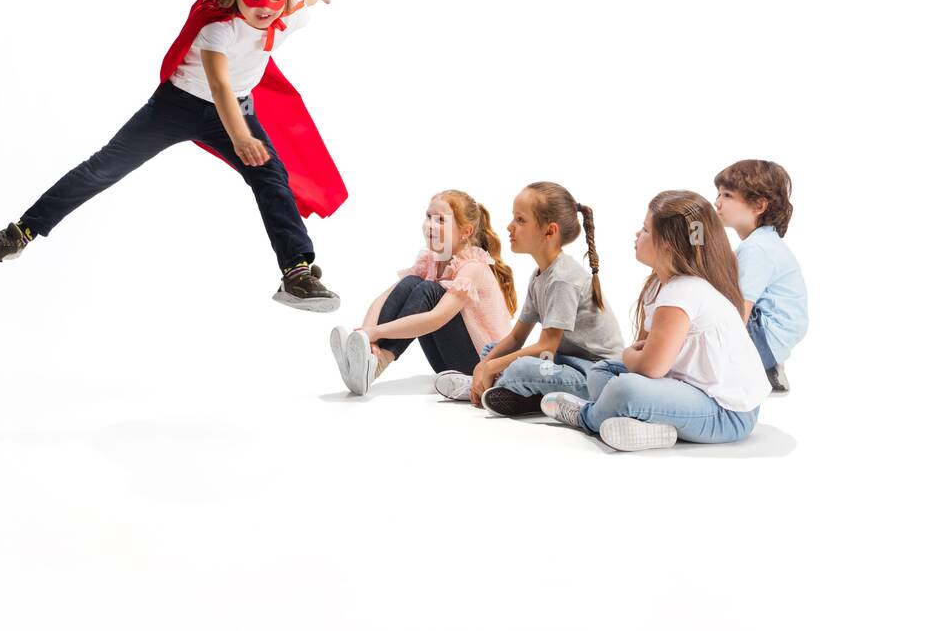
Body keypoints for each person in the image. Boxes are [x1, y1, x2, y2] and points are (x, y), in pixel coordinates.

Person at [0, 0, 346, 311]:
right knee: (103, 169)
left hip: (237, 106)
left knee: (271, 177)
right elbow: (218, 86)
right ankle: (20, 233)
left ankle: (296, 272)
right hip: (177, 106)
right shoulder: (220, 29)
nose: (265, 9)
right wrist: (240, 137)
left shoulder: (288, 12)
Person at [541, 191, 770, 451]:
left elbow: (650, 367)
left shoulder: (683, 291)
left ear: (667, 245)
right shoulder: (659, 286)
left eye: (645, 229)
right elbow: (648, 353)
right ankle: (655, 427)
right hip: (688, 391)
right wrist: (635, 357)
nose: (637, 235)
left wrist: (630, 355)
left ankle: (587, 416)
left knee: (625, 388)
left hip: (727, 414)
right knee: (602, 371)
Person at [438, 182, 624, 417]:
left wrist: (492, 367)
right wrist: (481, 366)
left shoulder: (563, 279)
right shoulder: (540, 275)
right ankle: (498, 388)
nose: (509, 226)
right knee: (491, 349)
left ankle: (495, 386)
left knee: (521, 367)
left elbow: (547, 346)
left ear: (549, 231)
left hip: (594, 375)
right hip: (564, 361)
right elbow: (517, 337)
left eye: (520, 220)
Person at [330, 191, 514, 396]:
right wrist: (366, 335)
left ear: (465, 232)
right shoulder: (431, 261)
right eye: (428, 217)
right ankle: (366, 360)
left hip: (483, 367)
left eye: (441, 220)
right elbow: (382, 299)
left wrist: (377, 332)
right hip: (447, 364)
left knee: (429, 290)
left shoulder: (472, 266)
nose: (430, 226)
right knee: (411, 282)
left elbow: (436, 319)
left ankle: (379, 362)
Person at [714, 159, 808, 393]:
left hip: (765, 338)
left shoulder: (757, 248)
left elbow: (740, 308)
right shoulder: (764, 241)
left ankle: (754, 366)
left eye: (727, 195)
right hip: (774, 340)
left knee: (713, 306)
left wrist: (721, 359)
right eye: (718, 194)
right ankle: (767, 366)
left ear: (759, 206)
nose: (717, 203)